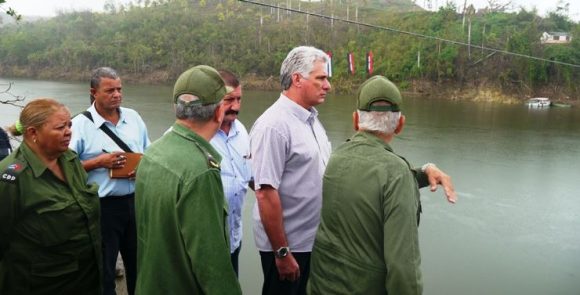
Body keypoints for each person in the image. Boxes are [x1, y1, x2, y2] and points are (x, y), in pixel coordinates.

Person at [250, 46, 456, 295]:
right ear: (297, 79)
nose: (328, 85)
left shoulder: (311, 120)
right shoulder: (273, 126)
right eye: (321, 78)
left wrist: (420, 174)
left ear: (356, 120)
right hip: (289, 248)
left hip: (315, 247)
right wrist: (282, 252)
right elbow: (264, 193)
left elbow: (349, 175)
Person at [308, 76, 457, 294]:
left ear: (355, 120)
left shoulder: (337, 157)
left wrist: (423, 173)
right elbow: (403, 269)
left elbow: (369, 182)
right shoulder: (396, 174)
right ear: (400, 125)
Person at [134, 65, 242, 294]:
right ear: (218, 112)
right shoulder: (200, 171)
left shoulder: (154, 152)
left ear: (177, 108)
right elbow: (212, 264)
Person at [0, 98, 102, 295]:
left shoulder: (70, 160)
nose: (69, 131)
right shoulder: (11, 178)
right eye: (60, 127)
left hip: (86, 280)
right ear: (32, 133)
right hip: (42, 286)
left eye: (69, 125)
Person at [69, 67, 150, 295]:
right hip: (102, 207)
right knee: (104, 268)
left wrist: (141, 168)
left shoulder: (133, 117)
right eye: (110, 90)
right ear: (94, 92)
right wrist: (98, 162)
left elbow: (149, 153)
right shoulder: (79, 125)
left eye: (119, 89)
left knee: (139, 265)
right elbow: (65, 167)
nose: (117, 94)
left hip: (136, 202)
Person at [210, 69, 253, 277]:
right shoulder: (194, 136)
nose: (235, 106)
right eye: (229, 100)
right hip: (206, 245)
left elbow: (249, 175)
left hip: (234, 237)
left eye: (239, 99)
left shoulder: (241, 131)